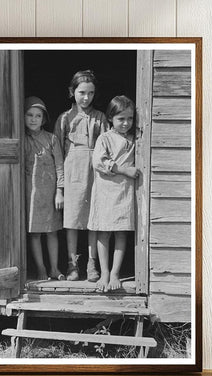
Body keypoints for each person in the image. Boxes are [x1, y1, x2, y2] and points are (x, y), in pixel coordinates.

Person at [54, 70, 109, 282]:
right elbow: (57, 151)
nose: (86, 97)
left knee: (93, 219)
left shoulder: (101, 118)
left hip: (94, 172)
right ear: (72, 92)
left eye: (91, 93)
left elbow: (106, 146)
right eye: (81, 92)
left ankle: (92, 263)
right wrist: (60, 185)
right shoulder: (64, 118)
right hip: (71, 172)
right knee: (73, 219)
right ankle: (72, 264)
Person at [88, 96, 140, 292]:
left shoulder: (135, 138)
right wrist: (123, 169)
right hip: (106, 192)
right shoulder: (105, 138)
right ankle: (104, 273)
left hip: (125, 193)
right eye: (121, 119)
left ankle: (116, 273)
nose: (126, 123)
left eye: (130, 118)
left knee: (121, 231)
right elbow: (98, 162)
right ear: (110, 118)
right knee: (104, 232)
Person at [24, 96, 65, 281]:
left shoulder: (52, 139)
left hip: (50, 192)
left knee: (52, 231)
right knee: (35, 233)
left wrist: (60, 191)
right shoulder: (22, 140)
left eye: (38, 115)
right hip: (30, 193)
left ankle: (54, 268)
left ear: (44, 118)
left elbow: (59, 166)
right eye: (29, 114)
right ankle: (40, 269)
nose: (33, 119)